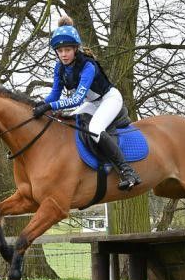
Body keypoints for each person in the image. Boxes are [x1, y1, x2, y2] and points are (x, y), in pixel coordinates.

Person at [33, 16, 142, 191]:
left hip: (109, 99)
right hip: (92, 102)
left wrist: (49, 106)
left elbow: (76, 99)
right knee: (71, 119)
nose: (63, 55)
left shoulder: (88, 66)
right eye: (60, 51)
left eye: (67, 50)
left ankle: (128, 172)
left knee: (95, 129)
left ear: (76, 49)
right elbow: (54, 94)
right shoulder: (59, 68)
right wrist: (39, 104)